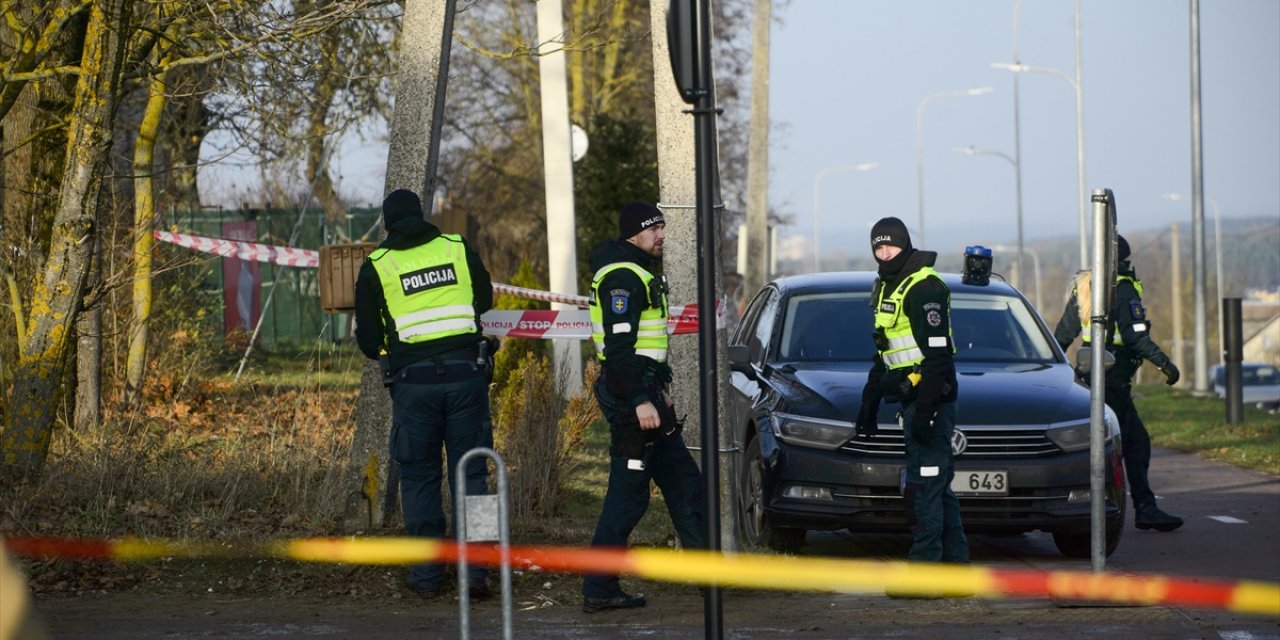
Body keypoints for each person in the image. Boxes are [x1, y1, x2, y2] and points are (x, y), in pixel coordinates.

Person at [354, 188, 497, 600]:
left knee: (418, 478)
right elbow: (483, 299)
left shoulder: (378, 265)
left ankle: (428, 576)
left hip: (414, 387)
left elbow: (368, 340)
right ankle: (477, 575)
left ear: (387, 223)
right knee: (473, 473)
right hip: (466, 378)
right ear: (422, 215)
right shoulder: (455, 246)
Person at [581, 202, 705, 613]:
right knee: (629, 496)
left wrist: (658, 393)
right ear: (636, 232)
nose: (662, 235)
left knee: (686, 485)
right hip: (633, 402)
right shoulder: (621, 277)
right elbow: (617, 352)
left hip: (649, 397)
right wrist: (639, 401)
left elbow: (647, 350)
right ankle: (599, 588)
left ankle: (713, 581)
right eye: (656, 228)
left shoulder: (637, 271)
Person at [855, 216, 969, 564]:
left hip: (930, 399)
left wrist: (927, 410)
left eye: (891, 245)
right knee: (936, 487)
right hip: (910, 399)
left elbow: (938, 358)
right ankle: (954, 562)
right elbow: (885, 353)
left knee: (923, 485)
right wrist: (868, 403)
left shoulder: (924, 287)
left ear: (905, 244)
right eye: (878, 246)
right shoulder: (887, 285)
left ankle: (925, 566)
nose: (885, 252)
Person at [1053, 234, 1183, 532]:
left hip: (1089, 380)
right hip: (1114, 382)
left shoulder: (1085, 287)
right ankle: (1134, 509)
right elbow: (1136, 337)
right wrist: (1166, 364)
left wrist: (1053, 370)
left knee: (1112, 443)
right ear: (1121, 261)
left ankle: (1131, 507)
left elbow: (1061, 336)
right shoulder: (1122, 289)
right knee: (1132, 444)